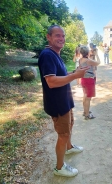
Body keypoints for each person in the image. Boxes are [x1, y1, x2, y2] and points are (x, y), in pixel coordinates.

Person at [38, 25, 89, 177]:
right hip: (58, 103)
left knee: (69, 125)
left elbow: (60, 74)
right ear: (49, 37)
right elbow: (51, 82)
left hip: (64, 100)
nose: (61, 39)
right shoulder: (47, 55)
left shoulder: (55, 54)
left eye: (63, 36)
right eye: (57, 35)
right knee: (63, 134)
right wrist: (75, 76)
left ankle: (69, 147)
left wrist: (74, 73)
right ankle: (59, 168)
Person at [79, 45, 100, 119]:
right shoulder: (88, 61)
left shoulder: (81, 60)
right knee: (88, 98)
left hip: (84, 79)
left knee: (85, 96)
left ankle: (85, 111)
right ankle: (87, 115)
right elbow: (98, 63)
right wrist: (96, 54)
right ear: (87, 52)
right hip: (89, 80)